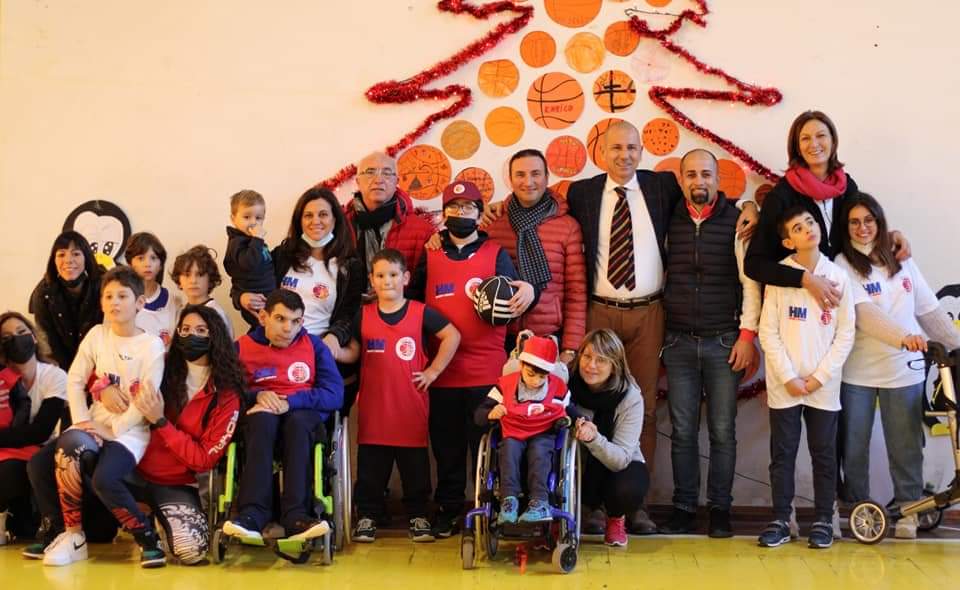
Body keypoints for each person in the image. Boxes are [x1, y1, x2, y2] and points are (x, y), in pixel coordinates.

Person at [565, 121, 758, 533]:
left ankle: (636, 505)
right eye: (616, 148)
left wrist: (751, 206)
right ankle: (596, 504)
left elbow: (714, 201)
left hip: (650, 313)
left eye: (633, 148)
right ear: (601, 151)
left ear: (641, 152)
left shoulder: (661, 187)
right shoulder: (580, 193)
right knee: (595, 405)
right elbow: (538, 209)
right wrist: (493, 208)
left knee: (645, 409)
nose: (625, 155)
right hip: (600, 311)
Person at [408, 180, 533, 538]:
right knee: (446, 449)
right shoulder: (430, 254)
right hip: (441, 371)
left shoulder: (495, 253)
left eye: (469, 208)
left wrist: (524, 289)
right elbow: (413, 306)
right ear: (444, 213)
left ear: (480, 214)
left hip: (486, 371)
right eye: (455, 207)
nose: (461, 214)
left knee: (487, 447)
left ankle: (491, 507)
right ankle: (448, 509)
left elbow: (513, 304)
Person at [835, 193, 960, 539]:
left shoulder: (902, 260)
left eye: (869, 220)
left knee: (905, 446)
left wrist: (956, 346)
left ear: (880, 222)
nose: (863, 228)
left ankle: (909, 510)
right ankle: (860, 511)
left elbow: (929, 311)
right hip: (858, 371)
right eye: (855, 222)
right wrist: (904, 336)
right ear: (846, 228)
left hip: (904, 370)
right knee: (854, 447)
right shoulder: (843, 264)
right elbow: (864, 315)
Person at [27, 266, 167, 567]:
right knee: (39, 463)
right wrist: (82, 423)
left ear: (139, 303)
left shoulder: (151, 345)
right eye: (108, 296)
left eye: (122, 296)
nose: (114, 302)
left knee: (105, 479)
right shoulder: (97, 335)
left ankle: (145, 535)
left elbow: (146, 400)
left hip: (129, 432)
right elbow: (75, 380)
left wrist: (112, 429)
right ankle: (64, 531)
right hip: (91, 426)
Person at [658, 149, 761, 538]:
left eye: (706, 174)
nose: (698, 182)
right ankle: (684, 508)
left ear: (718, 179)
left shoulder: (739, 222)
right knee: (683, 431)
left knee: (722, 430)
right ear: (681, 179)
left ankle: (721, 509)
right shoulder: (667, 219)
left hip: (724, 342)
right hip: (679, 343)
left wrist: (747, 336)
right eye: (691, 175)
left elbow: (751, 284)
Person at [341, 249, 460, 543]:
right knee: (370, 467)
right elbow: (354, 352)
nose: (387, 281)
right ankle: (367, 514)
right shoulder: (364, 315)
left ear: (405, 278)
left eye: (393, 275)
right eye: (380, 276)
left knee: (415, 467)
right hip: (374, 406)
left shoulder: (420, 312)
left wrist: (432, 371)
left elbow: (452, 335)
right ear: (371, 280)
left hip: (410, 406)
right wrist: (332, 350)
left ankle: (418, 515)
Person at [757, 206, 854, 549]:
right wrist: (788, 376)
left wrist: (819, 378)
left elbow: (846, 334)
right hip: (786, 385)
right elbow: (767, 332)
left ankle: (824, 520)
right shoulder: (781, 277)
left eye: (811, 222)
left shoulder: (839, 276)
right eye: (798, 227)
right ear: (788, 240)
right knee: (783, 452)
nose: (808, 229)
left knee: (824, 453)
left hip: (822, 386)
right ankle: (782, 518)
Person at [745, 110, 910, 308]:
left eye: (821, 135)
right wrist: (805, 279)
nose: (814, 144)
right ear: (796, 147)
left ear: (833, 141)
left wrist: (889, 235)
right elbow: (754, 265)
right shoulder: (781, 197)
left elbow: (858, 232)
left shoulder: (847, 187)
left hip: (844, 301)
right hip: (798, 307)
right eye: (805, 138)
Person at [223, 289, 343, 545]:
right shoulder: (241, 347)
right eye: (280, 319)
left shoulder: (314, 345)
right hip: (260, 419)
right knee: (261, 420)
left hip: (302, 418)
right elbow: (225, 393)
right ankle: (253, 515)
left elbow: (334, 394)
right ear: (263, 317)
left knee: (298, 424)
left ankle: (297, 516)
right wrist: (255, 396)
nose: (288, 328)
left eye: (296, 321)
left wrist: (290, 402)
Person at [128, 304, 242, 563]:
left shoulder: (226, 394)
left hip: (176, 482)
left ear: (215, 336)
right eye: (186, 329)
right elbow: (112, 373)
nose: (192, 335)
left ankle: (160, 517)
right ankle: (145, 523)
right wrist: (104, 387)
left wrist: (161, 422)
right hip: (131, 471)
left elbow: (204, 459)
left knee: (193, 552)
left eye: (201, 330)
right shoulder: (160, 366)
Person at [484, 148, 587, 363]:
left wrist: (570, 347)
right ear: (510, 180)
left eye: (536, 173)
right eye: (520, 175)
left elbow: (576, 290)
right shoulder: (494, 224)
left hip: (550, 336)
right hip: (503, 337)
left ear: (547, 177)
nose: (528, 181)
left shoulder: (567, 226)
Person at [474, 335, 571, 525]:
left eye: (542, 377)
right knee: (508, 449)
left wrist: (573, 421)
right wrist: (491, 413)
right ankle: (508, 501)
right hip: (513, 433)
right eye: (531, 374)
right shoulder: (505, 385)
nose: (536, 381)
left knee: (540, 451)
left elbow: (570, 411)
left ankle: (539, 503)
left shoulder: (557, 387)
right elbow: (478, 416)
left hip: (543, 432)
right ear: (521, 366)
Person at [570, 329, 649, 548]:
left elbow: (621, 458)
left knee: (629, 487)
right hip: (573, 462)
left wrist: (593, 438)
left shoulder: (629, 396)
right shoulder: (565, 382)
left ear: (615, 364)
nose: (591, 365)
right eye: (587, 356)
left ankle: (615, 517)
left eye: (601, 360)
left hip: (616, 460)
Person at [0, 312, 67, 543]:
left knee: (8, 472)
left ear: (34, 337)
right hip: (6, 449)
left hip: (40, 451)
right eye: (7, 337)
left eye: (21, 332)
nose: (17, 339)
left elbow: (41, 430)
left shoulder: (55, 376)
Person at [344, 151, 435, 292]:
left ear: (397, 182)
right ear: (358, 182)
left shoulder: (423, 231)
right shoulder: (341, 226)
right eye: (370, 172)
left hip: (402, 311)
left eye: (387, 173)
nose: (378, 179)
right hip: (353, 312)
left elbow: (428, 287)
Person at [29, 231, 104, 370]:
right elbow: (46, 341)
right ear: (54, 260)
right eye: (61, 254)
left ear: (86, 257)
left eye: (76, 254)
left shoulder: (103, 286)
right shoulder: (43, 293)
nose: (68, 260)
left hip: (100, 365)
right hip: (60, 367)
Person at [224, 189, 276, 330]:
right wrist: (257, 239)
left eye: (258, 218)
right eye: (247, 217)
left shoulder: (253, 241)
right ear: (233, 218)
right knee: (269, 330)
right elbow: (249, 263)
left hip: (269, 297)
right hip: (256, 302)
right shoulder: (237, 243)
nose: (253, 222)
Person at [126, 232, 182, 348]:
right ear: (130, 263)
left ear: (161, 264)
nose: (148, 264)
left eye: (153, 258)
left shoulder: (173, 301)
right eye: (141, 258)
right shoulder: (120, 297)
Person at [170, 245, 235, 340]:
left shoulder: (216, 313)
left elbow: (224, 351)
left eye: (200, 275)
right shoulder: (181, 312)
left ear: (210, 279)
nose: (193, 281)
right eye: (187, 275)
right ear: (179, 281)